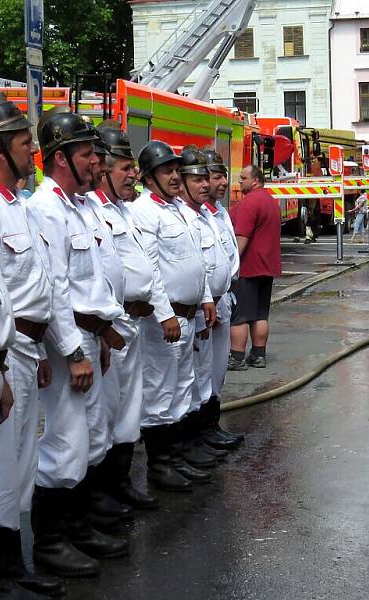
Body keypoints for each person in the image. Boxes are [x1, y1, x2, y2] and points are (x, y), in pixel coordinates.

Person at [0, 92, 65, 597]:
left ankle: (11, 567)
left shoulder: (13, 202)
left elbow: (31, 282)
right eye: (25, 143)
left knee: (19, 464)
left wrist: (40, 352)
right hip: (4, 353)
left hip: (26, 350)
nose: (33, 152)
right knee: (0, 468)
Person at [25, 109, 128, 578]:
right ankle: (50, 542)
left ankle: (79, 527)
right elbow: (55, 287)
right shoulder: (45, 210)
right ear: (61, 158)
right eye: (88, 154)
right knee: (65, 443)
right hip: (69, 341)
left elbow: (99, 280)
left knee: (90, 437)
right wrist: (73, 351)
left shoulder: (81, 207)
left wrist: (103, 334)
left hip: (91, 336)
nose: (97, 162)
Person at [129, 140, 216, 492]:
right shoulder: (144, 211)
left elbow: (195, 258)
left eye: (176, 169)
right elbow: (150, 268)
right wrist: (164, 314)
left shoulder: (177, 208)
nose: (176, 176)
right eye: (167, 171)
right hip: (168, 319)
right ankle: (160, 467)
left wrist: (207, 297)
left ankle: (178, 457)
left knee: (182, 388)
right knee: (160, 394)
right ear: (150, 178)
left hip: (190, 313)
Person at [85, 125, 159, 510]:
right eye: (126, 168)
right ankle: (100, 494)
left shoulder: (121, 212)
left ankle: (120, 481)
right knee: (104, 413)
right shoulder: (93, 211)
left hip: (132, 323)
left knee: (130, 409)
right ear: (105, 170)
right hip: (109, 326)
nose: (134, 175)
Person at [173, 148, 232, 468]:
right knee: (190, 380)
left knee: (211, 373)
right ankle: (190, 442)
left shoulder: (211, 213)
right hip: (191, 309)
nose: (210, 184)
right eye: (201, 178)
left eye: (211, 177)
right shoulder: (184, 215)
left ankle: (207, 431)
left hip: (215, 302)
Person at [197, 148, 245, 449]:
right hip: (207, 303)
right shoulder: (197, 213)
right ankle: (201, 431)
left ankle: (211, 425)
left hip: (224, 298)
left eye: (223, 176)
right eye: (216, 176)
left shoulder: (219, 211)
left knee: (217, 370)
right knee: (200, 373)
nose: (223, 182)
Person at [228, 165, 282, 370]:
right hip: (267, 267)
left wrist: (230, 266)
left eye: (243, 178)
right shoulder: (271, 201)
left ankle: (237, 357)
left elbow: (241, 238)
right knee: (260, 314)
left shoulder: (248, 203)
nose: (239, 181)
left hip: (248, 267)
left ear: (256, 181)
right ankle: (258, 355)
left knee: (239, 315)